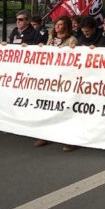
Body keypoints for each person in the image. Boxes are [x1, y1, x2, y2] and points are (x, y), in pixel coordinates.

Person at [34, 16, 78, 150]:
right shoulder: (51, 38)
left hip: (64, 79)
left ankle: (69, 140)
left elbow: (74, 56)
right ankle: (45, 135)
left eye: (60, 25)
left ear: (66, 27)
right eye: (56, 24)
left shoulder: (72, 40)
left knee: (64, 109)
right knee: (48, 107)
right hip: (50, 78)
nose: (57, 27)